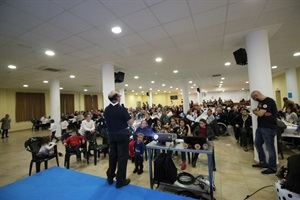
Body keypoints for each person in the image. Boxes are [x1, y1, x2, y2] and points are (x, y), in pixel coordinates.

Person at [104, 91, 133, 189]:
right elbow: (130, 123)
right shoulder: (122, 109)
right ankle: (120, 180)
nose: (120, 98)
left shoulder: (106, 109)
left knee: (113, 156)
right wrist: (130, 115)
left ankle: (110, 177)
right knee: (122, 157)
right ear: (116, 98)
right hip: (122, 135)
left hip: (111, 135)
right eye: (119, 96)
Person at [251, 90, 278, 174]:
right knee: (257, 144)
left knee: (270, 148)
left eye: (254, 98)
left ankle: (272, 167)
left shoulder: (268, 101)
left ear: (256, 95)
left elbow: (260, 114)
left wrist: (259, 112)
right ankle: (263, 162)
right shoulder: (261, 103)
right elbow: (256, 112)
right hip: (260, 127)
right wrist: (257, 111)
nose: (255, 100)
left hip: (268, 128)